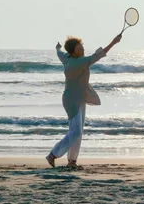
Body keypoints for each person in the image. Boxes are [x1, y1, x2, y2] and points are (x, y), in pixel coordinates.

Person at [46, 33, 122, 168]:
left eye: (82, 47)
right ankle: (53, 154)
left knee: (77, 131)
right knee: (76, 132)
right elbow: (98, 55)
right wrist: (113, 42)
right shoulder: (79, 62)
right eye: (79, 48)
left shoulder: (66, 58)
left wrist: (57, 48)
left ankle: (72, 161)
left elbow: (60, 53)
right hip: (71, 100)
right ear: (73, 51)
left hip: (80, 98)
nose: (82, 49)